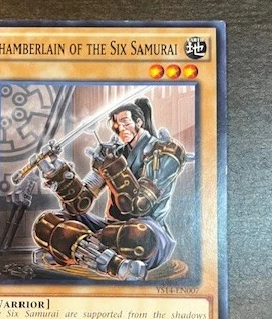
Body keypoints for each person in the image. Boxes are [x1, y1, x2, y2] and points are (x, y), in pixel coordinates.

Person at [33, 98, 186, 281]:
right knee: (47, 223)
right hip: (110, 229)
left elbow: (139, 205)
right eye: (116, 124)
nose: (120, 128)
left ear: (139, 122)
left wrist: (112, 167)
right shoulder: (114, 152)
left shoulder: (163, 152)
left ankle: (71, 248)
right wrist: (58, 173)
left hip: (148, 230)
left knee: (137, 235)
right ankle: (107, 261)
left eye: (125, 122)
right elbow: (81, 203)